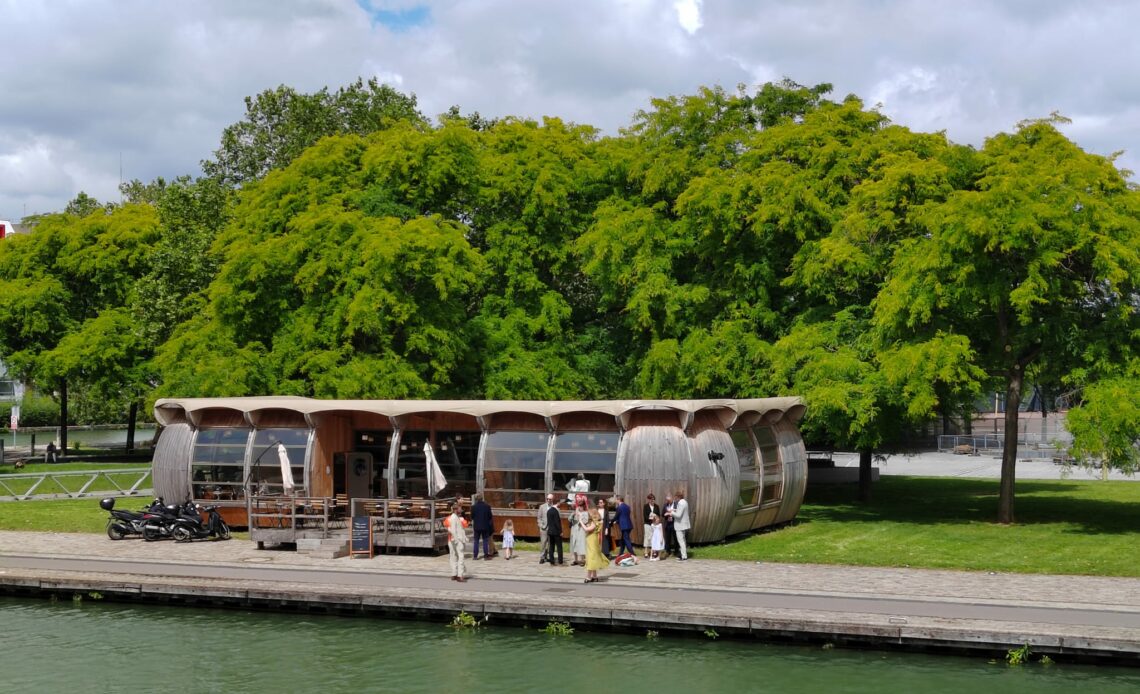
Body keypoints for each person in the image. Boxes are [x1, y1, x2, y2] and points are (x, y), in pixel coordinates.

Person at [582, 506, 608, 583]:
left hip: (592, 540)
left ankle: (588, 577)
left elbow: (587, 529)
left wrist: (581, 522)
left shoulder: (594, 523)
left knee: (590, 558)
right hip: (594, 540)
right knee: (593, 557)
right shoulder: (598, 522)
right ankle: (595, 575)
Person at [444, 502, 469, 582]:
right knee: (460, 557)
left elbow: (459, 529)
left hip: (452, 540)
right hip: (456, 540)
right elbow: (453, 530)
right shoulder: (454, 518)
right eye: (459, 508)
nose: (461, 510)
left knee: (453, 557)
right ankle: (459, 575)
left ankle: (454, 574)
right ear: (455, 510)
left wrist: (464, 537)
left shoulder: (454, 517)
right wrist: (458, 540)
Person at [471, 493, 494, 560]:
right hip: (485, 526)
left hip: (477, 526)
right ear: (482, 498)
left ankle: (475, 556)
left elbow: (472, 517)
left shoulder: (473, 507)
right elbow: (490, 516)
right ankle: (486, 555)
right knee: (485, 541)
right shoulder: (487, 506)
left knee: (476, 541)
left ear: (476, 499)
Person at [568, 496, 587, 566]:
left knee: (581, 545)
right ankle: (575, 560)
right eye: (579, 506)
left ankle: (583, 560)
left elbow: (585, 521)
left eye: (581, 506)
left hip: (581, 530)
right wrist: (573, 515)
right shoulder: (575, 512)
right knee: (574, 544)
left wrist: (579, 516)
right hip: (574, 530)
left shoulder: (585, 513)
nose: (579, 507)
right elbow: (569, 519)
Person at [672, 489, 690, 561]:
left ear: (677, 496)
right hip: (684, 524)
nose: (675, 498)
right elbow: (681, 511)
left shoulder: (680, 503)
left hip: (679, 525)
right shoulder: (685, 502)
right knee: (683, 540)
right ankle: (683, 555)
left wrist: (671, 513)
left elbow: (678, 515)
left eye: (675, 497)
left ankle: (683, 556)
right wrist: (674, 510)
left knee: (681, 541)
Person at [545, 501, 564, 565]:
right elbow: (557, 522)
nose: (560, 506)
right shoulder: (555, 511)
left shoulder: (548, 511)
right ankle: (560, 560)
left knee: (551, 546)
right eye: (559, 504)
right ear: (557, 503)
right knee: (559, 546)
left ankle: (551, 560)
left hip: (550, 531)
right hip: (556, 532)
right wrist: (560, 531)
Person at [642, 493, 660, 558]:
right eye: (651, 499)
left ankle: (654, 551)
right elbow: (645, 516)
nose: (652, 501)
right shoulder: (645, 506)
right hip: (647, 524)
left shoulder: (657, 506)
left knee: (654, 537)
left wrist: (656, 518)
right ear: (648, 500)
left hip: (654, 524)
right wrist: (652, 518)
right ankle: (646, 552)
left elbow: (658, 515)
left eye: (653, 499)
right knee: (647, 537)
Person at [537, 494, 553, 564]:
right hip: (543, 528)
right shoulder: (542, 507)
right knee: (543, 543)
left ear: (552, 500)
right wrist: (541, 525)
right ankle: (542, 557)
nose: (548, 500)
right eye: (547, 499)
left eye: (550, 499)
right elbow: (539, 518)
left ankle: (549, 557)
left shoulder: (554, 507)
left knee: (550, 544)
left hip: (552, 528)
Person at [662, 493, 677, 558]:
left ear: (672, 498)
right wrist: (665, 514)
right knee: (667, 538)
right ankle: (668, 551)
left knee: (675, 538)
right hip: (668, 524)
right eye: (667, 500)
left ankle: (676, 551)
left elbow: (679, 513)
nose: (667, 501)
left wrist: (672, 513)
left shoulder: (676, 504)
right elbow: (662, 514)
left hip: (674, 523)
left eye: (668, 500)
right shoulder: (665, 505)